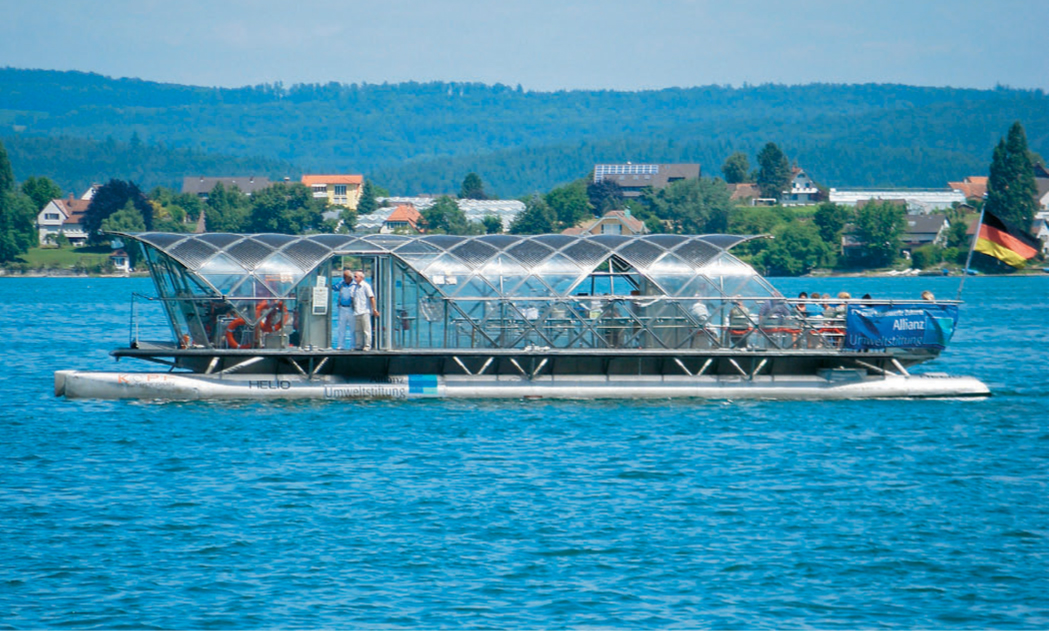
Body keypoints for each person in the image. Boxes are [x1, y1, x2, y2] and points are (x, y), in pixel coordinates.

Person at [352, 270, 380, 351]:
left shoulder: (366, 286)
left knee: (366, 330)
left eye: (356, 276)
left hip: (365, 311)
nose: (354, 278)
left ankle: (367, 345)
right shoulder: (355, 287)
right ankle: (358, 345)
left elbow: (372, 297)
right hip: (357, 311)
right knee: (358, 330)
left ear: (361, 277)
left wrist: (374, 309)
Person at [332, 269, 357, 350]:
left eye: (345, 277)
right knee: (341, 328)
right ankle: (340, 345)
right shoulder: (342, 283)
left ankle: (353, 345)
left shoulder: (355, 284)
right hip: (342, 308)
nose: (344, 278)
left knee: (353, 328)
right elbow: (335, 287)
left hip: (351, 308)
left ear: (350, 277)